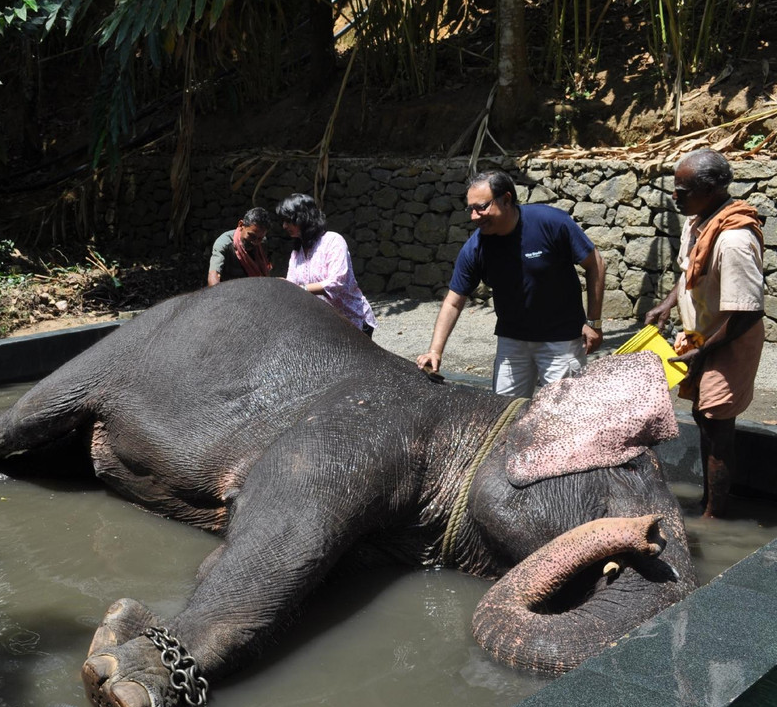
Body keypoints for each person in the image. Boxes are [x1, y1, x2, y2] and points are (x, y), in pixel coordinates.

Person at [644, 149, 765, 519]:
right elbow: (690, 273)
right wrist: (668, 304)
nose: (674, 197)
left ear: (711, 190)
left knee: (717, 427)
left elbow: (747, 313)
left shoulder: (734, 241)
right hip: (702, 337)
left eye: (682, 191)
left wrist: (703, 352)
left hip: (729, 342)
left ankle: (714, 517)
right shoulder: (699, 221)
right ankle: (707, 503)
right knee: (701, 416)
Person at [415, 170, 606, 397]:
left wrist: (594, 323)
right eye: (470, 209)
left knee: (561, 412)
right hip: (512, 343)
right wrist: (435, 351)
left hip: (561, 341)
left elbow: (595, 264)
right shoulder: (477, 247)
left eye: (481, 207)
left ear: (506, 199)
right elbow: (453, 302)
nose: (474, 216)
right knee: (505, 411)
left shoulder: (551, 223)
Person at [275, 193, 377, 336]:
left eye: (288, 220)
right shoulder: (297, 252)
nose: (284, 226)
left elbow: (336, 282)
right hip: (323, 325)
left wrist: (300, 288)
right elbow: (293, 285)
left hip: (352, 322)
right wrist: (283, 285)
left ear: (303, 217)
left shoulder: (333, 241)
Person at [208, 207, 272, 286]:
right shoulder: (224, 244)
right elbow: (214, 275)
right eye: (252, 236)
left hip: (255, 287)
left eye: (260, 238)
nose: (255, 242)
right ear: (241, 225)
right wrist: (216, 291)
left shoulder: (262, 243)